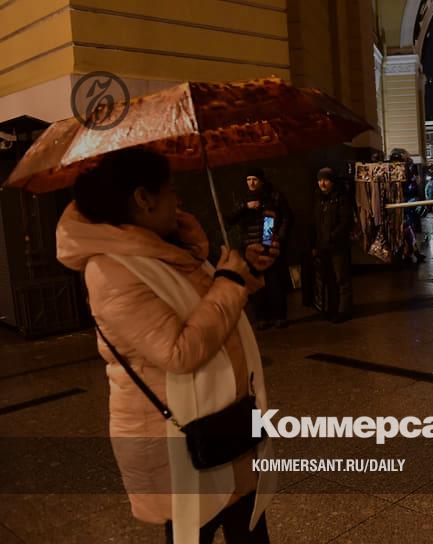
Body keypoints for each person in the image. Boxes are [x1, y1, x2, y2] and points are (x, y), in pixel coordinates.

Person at [56, 148, 278, 542]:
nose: (178, 199)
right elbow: (179, 352)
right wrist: (229, 281)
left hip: (223, 417)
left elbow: (206, 307)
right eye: (170, 189)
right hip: (177, 437)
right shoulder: (110, 270)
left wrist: (244, 270)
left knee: (248, 526)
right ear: (143, 198)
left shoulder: (172, 249)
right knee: (193, 530)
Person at [228, 168, 292, 329]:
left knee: (275, 282)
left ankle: (279, 316)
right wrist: (245, 207)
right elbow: (231, 218)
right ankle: (261, 318)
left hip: (270, 243)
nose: (251, 183)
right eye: (248, 179)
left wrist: (280, 237)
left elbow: (286, 216)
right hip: (251, 247)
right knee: (256, 283)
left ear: (261, 181)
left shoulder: (274, 196)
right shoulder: (243, 199)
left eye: (254, 179)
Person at [310, 167, 354, 322]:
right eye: (320, 180)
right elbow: (315, 223)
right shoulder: (318, 199)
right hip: (323, 246)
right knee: (329, 279)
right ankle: (332, 308)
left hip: (337, 246)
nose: (322, 183)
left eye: (326, 180)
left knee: (341, 278)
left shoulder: (341, 198)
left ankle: (344, 311)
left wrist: (332, 236)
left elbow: (346, 221)